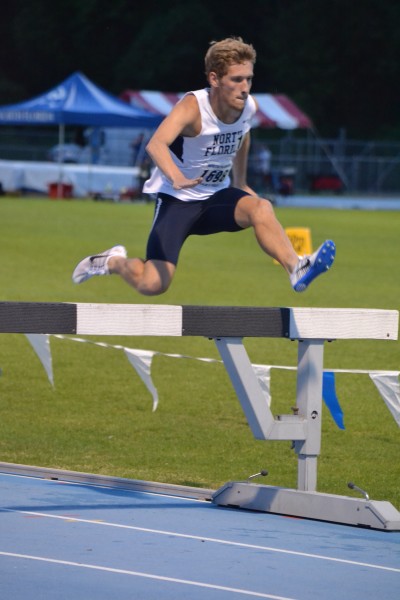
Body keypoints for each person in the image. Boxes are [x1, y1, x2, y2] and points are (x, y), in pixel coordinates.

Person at [72, 37, 335, 295]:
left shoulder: (248, 108)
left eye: (249, 79)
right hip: (177, 200)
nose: (245, 88)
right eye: (236, 79)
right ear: (214, 79)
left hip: (215, 199)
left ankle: (296, 267)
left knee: (261, 207)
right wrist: (176, 177)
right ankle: (113, 261)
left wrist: (241, 182)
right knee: (152, 285)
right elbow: (156, 144)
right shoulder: (192, 107)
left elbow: (243, 135)